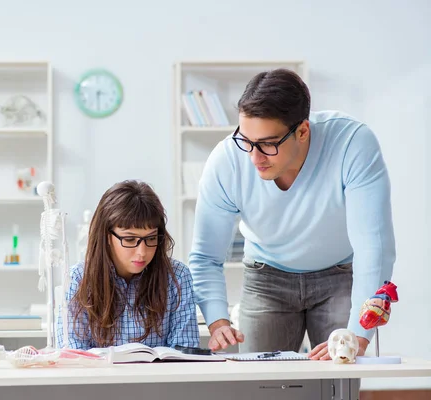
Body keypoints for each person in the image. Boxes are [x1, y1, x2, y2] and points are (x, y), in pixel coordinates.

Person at [188, 68, 395, 360]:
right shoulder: (226, 161)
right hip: (265, 277)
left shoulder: (353, 144)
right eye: (245, 140)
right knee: (262, 384)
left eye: (268, 144)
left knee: (338, 378)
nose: (253, 157)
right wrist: (218, 319)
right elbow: (206, 256)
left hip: (338, 276)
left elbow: (374, 247)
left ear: (302, 131)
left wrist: (359, 335)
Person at [57, 180, 200, 350]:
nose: (142, 251)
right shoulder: (78, 279)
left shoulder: (177, 276)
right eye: (130, 239)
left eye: (151, 238)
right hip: (98, 377)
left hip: (160, 377)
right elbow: (73, 356)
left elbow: (185, 352)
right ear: (107, 236)